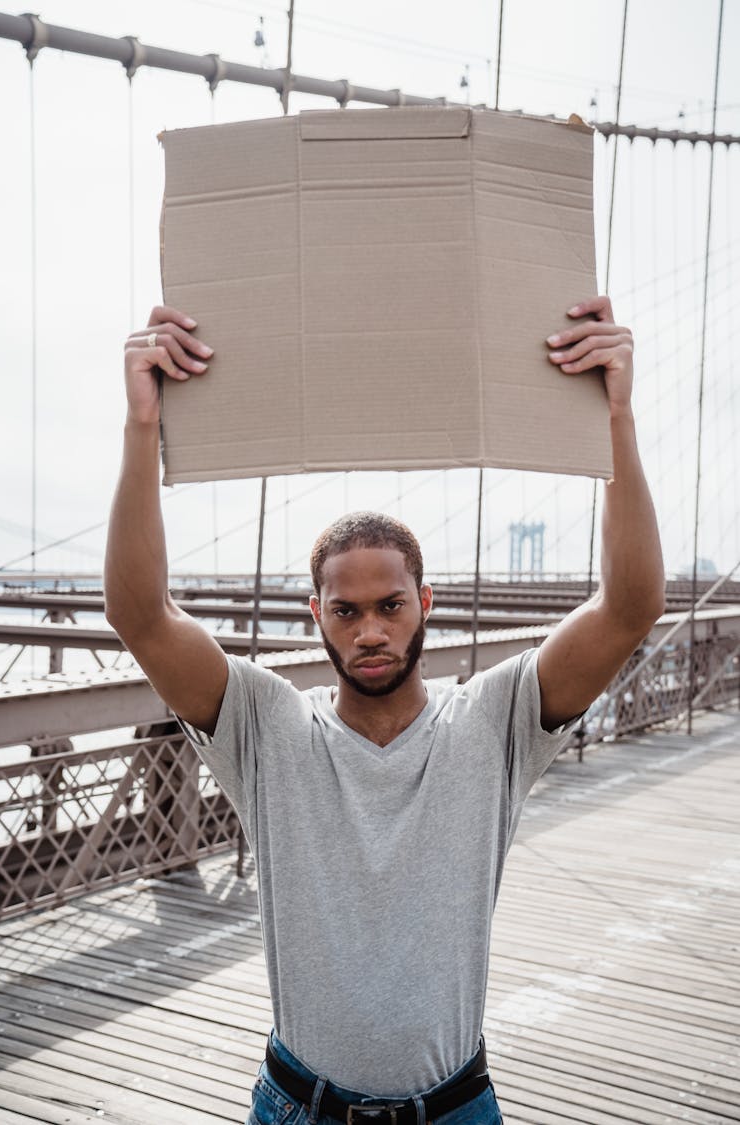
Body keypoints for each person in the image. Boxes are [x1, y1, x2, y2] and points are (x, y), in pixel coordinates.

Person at [104, 295, 664, 1125]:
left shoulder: (493, 720)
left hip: (455, 1108)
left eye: (391, 605)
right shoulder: (268, 727)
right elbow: (141, 615)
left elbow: (628, 608)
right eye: (346, 610)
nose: (371, 630)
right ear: (316, 614)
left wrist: (616, 416)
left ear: (425, 600)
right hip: (300, 1107)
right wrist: (141, 425)